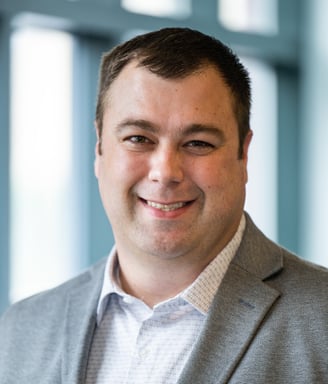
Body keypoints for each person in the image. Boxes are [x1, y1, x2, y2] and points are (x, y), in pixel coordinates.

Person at [0, 27, 327, 384]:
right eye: (138, 138)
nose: (165, 172)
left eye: (198, 143)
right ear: (99, 148)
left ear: (243, 154)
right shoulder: (21, 330)